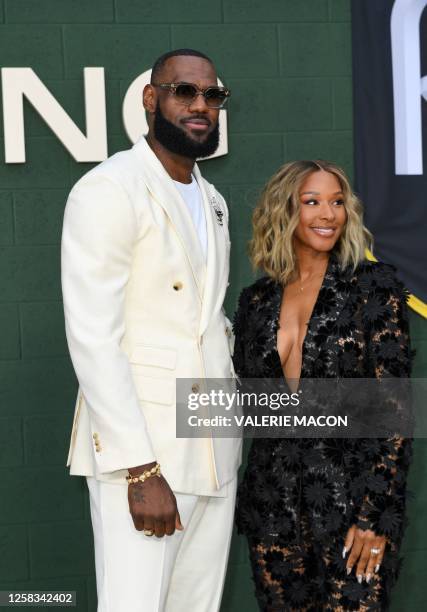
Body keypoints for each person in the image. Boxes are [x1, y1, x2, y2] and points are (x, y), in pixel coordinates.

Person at [61, 48, 241, 612]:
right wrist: (140, 467)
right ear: (150, 99)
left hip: (212, 448)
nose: (200, 106)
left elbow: (204, 324)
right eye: (184, 92)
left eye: (212, 96)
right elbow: (93, 336)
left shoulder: (212, 200)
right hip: (146, 456)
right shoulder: (109, 188)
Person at [232, 160, 412, 611]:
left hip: (351, 507)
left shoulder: (374, 288)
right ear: (284, 210)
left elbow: (394, 412)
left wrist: (374, 517)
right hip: (272, 509)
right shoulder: (255, 301)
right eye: (311, 202)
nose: (327, 214)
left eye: (336, 202)